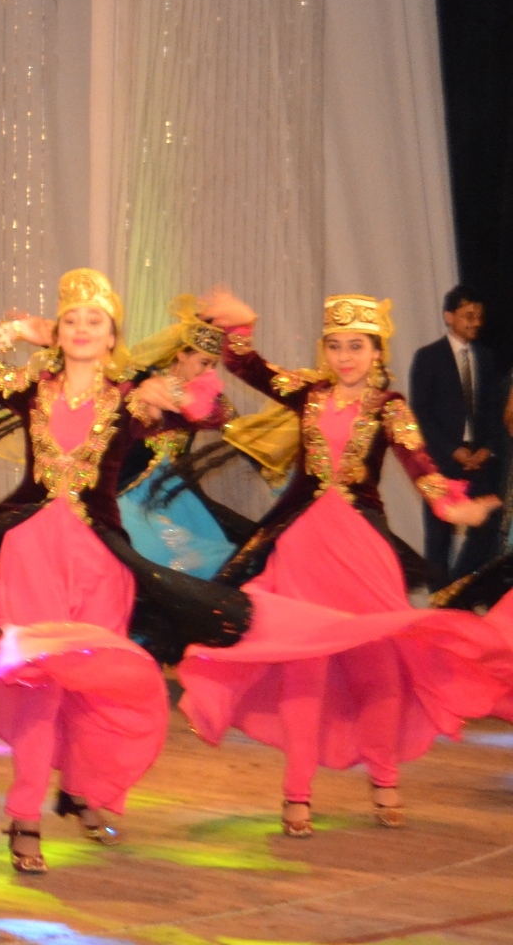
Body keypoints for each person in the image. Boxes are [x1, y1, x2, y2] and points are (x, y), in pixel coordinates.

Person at [0, 267, 250, 873]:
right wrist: (18, 331)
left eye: (95, 320)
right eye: (71, 319)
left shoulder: (130, 400)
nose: (83, 328)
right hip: (33, 553)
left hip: (98, 562)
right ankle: (24, 813)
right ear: (58, 331)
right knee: (40, 685)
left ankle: (84, 792)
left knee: (90, 686)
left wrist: (187, 378)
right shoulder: (31, 387)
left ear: (113, 336)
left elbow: (215, 411)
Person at [175, 292, 512, 837]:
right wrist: (242, 323)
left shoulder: (389, 407)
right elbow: (248, 366)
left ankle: (384, 778)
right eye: (335, 346)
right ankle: (297, 791)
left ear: (377, 351)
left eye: (356, 346)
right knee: (303, 669)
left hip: (360, 549)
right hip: (303, 546)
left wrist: (453, 506)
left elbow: (420, 464)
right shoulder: (309, 393)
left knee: (376, 669)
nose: (345, 357)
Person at [113, 297, 254, 580]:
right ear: (181, 355)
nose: (208, 372)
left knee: (222, 561)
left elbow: (234, 426)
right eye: (203, 362)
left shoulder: (206, 399)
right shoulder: (141, 381)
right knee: (157, 557)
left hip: (171, 493)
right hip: (126, 492)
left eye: (213, 365)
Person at [408, 286, 507, 586]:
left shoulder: (485, 357)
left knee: (488, 525)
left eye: (479, 316)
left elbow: (494, 410)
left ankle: (457, 588)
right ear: (449, 316)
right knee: (439, 537)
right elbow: (420, 412)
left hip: (479, 460)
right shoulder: (428, 357)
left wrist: (487, 448)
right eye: (468, 315)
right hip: (442, 461)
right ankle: (439, 598)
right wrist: (452, 449)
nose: (476, 322)